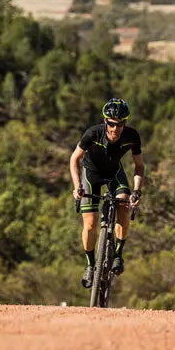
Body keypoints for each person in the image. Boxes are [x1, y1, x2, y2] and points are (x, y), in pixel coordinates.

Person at [69, 98, 144, 288]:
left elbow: (139, 166)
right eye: (111, 123)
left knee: (124, 206)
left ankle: (118, 254)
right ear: (105, 121)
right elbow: (74, 159)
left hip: (114, 173)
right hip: (91, 174)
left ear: (125, 123)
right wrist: (77, 186)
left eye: (120, 124)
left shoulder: (132, 136)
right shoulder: (93, 133)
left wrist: (136, 191)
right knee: (90, 224)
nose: (115, 128)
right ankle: (90, 265)